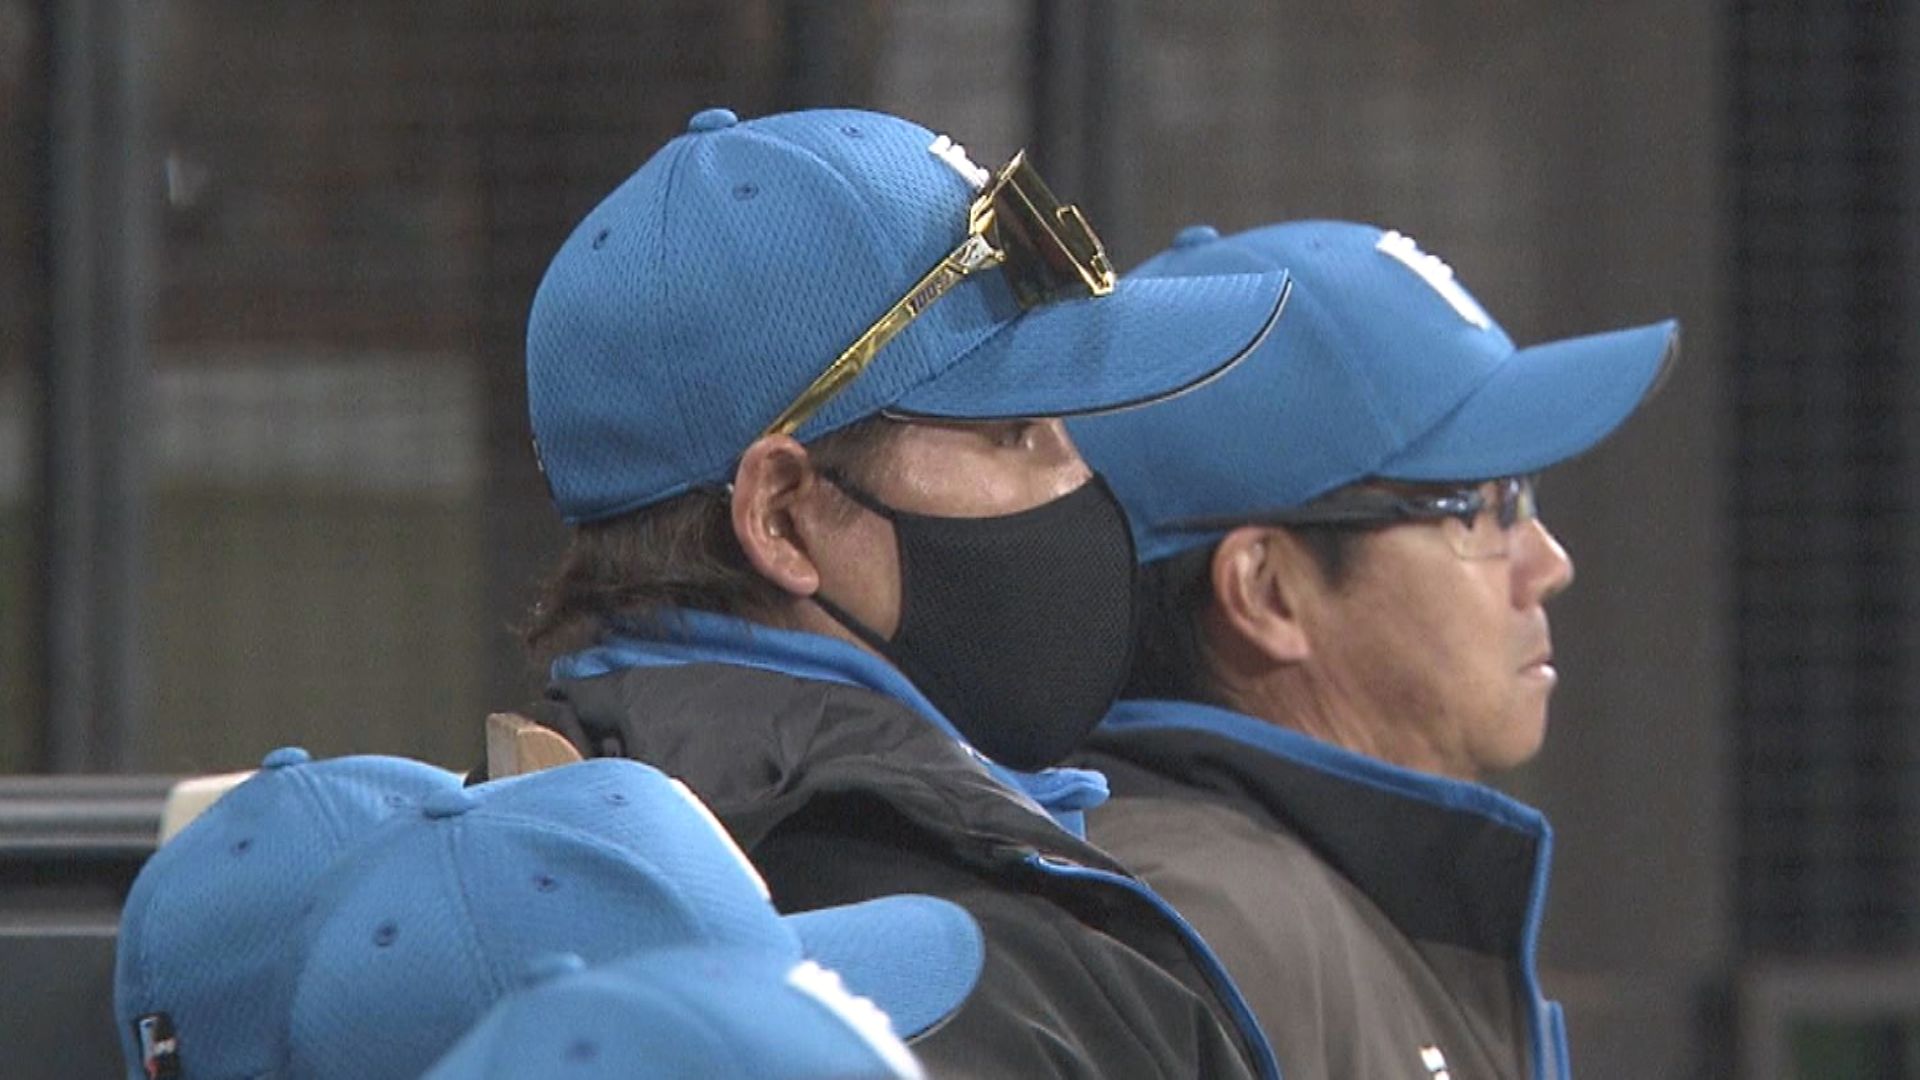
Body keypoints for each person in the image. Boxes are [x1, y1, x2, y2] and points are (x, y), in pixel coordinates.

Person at [508, 107, 1292, 1077]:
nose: (1077, 476)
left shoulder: (517, 862)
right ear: (784, 516)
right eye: (1015, 433)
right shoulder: (956, 980)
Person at [1067, 220, 1680, 1080]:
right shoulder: (1207, 944)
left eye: (1525, 494)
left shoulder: (1340, 905)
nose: (1549, 565)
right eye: (1479, 509)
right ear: (1268, 592)